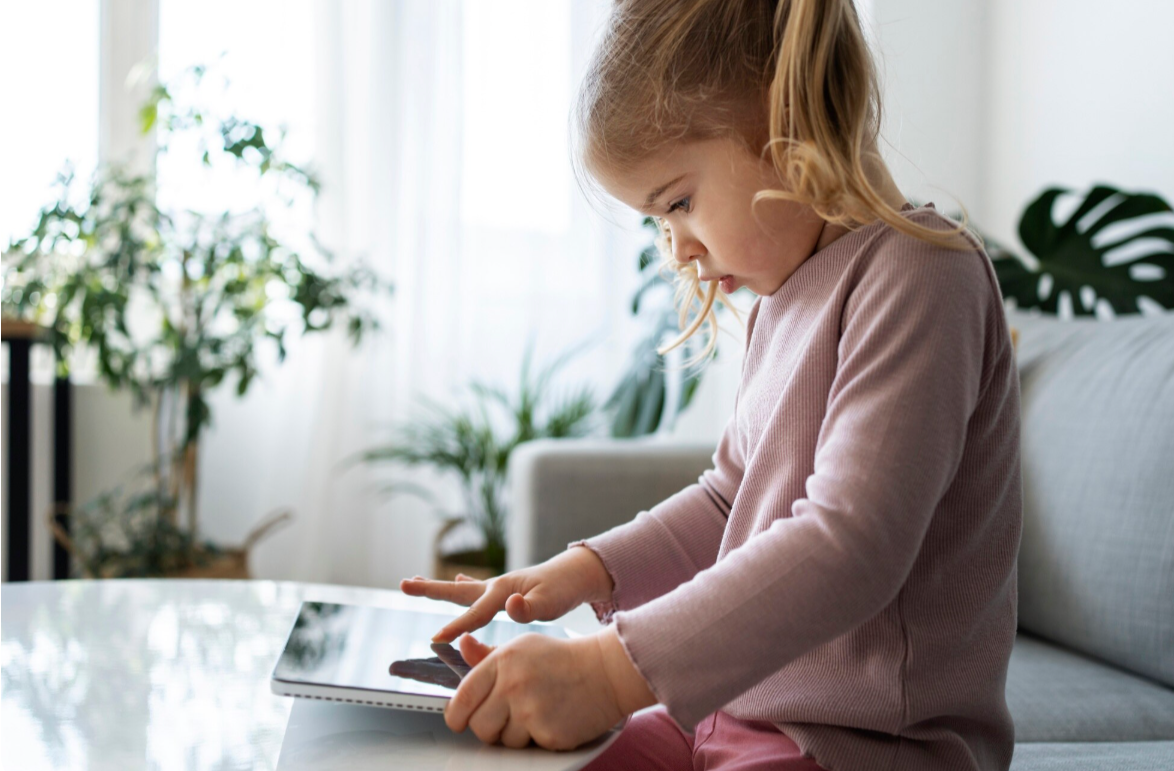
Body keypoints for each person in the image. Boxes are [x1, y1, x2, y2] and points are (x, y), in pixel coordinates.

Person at [401, 1, 1022, 769]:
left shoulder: (923, 275)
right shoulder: (786, 300)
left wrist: (606, 672)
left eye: (680, 202)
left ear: (787, 118)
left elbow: (851, 542)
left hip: (859, 746)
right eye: (659, 222)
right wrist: (581, 570)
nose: (679, 250)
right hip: (727, 716)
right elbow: (731, 498)